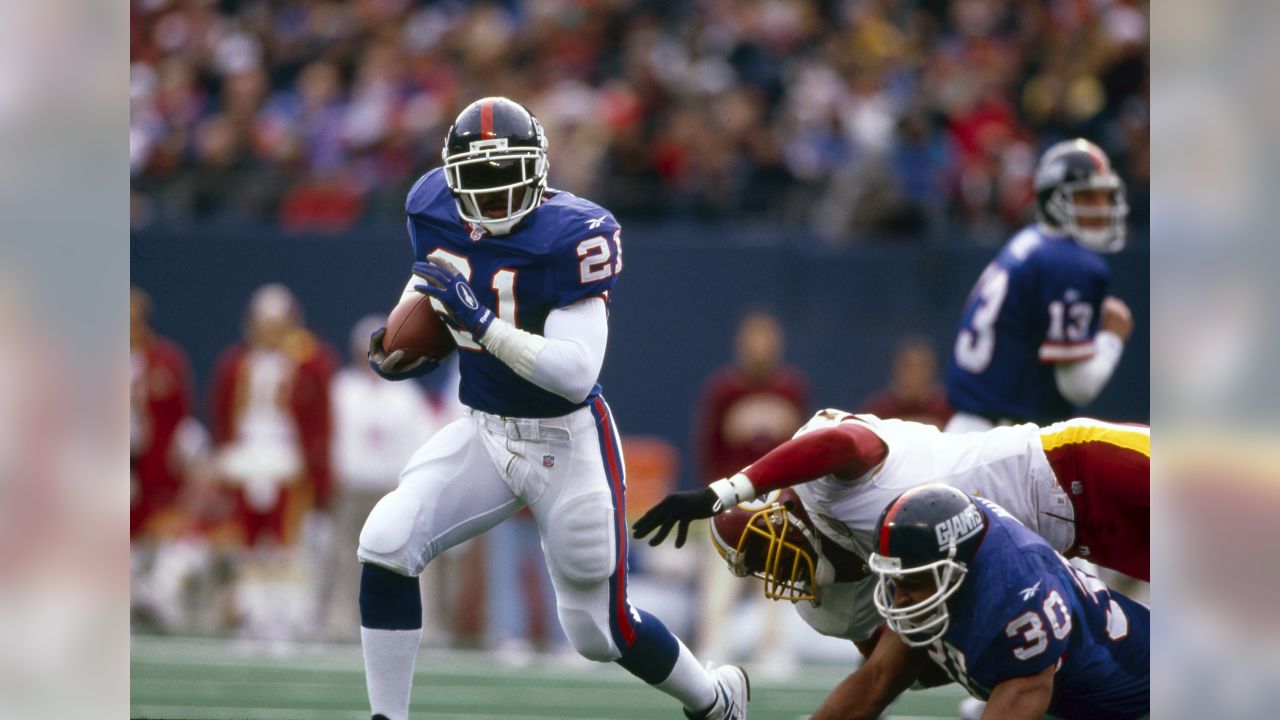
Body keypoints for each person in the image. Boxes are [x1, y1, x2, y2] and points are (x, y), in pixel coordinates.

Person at [356, 97, 748, 720]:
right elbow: (429, 282)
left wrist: (479, 321)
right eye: (475, 178)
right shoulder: (431, 205)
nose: (488, 192)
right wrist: (398, 336)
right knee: (386, 538)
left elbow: (575, 373)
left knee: (600, 632)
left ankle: (714, 701)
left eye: (502, 173)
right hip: (484, 431)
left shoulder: (574, 234)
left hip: (566, 443)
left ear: (536, 169)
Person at [633, 408, 1149, 657]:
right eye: (761, 565)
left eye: (766, 548)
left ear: (780, 509)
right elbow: (894, 667)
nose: (777, 566)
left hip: (1072, 461)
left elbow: (844, 442)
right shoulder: (830, 603)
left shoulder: (822, 482)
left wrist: (726, 491)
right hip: (1081, 537)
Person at [809, 485, 1148, 720]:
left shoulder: (1018, 604)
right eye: (896, 581)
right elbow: (877, 680)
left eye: (911, 582)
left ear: (957, 572)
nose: (899, 598)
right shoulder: (948, 558)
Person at [944, 139, 1136, 433]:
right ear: (1052, 200)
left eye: (1105, 197)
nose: (1101, 208)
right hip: (1007, 443)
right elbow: (1078, 386)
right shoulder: (1073, 263)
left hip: (971, 428)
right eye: (1086, 198)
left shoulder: (1030, 242)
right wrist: (1112, 337)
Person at [209, 283, 338, 639]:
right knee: (248, 543)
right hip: (248, 455)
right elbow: (224, 414)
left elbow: (319, 420)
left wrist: (319, 472)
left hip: (286, 458)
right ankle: (253, 616)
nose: (270, 330)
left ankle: (285, 619)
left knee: (287, 545)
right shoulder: (238, 363)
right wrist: (225, 457)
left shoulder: (307, 360)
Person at [692, 311, 807, 670]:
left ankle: (772, 646)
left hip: (776, 505)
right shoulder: (724, 390)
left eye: (766, 340)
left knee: (775, 582)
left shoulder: (791, 389)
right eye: (753, 339)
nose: (760, 347)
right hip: (731, 502)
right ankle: (712, 644)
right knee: (718, 586)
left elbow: (801, 447)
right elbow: (708, 448)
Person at [859, 336, 951, 428]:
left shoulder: (949, 410)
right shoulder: (877, 411)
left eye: (922, 367)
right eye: (908, 366)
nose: (915, 374)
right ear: (896, 369)